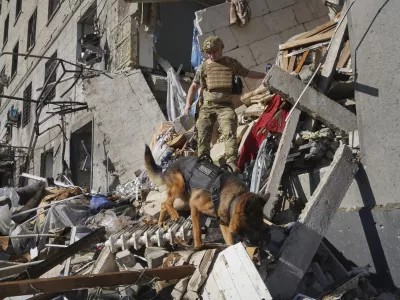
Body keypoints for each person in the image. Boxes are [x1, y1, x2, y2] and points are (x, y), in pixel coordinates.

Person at [184, 36, 266, 172]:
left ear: (221, 49)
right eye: (209, 53)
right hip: (207, 106)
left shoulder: (231, 64)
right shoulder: (203, 67)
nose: (212, 55)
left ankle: (231, 163)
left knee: (229, 131)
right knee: (203, 132)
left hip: (225, 106)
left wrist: (264, 75)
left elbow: (247, 73)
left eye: (214, 52)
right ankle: (204, 164)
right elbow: (194, 86)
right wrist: (187, 105)